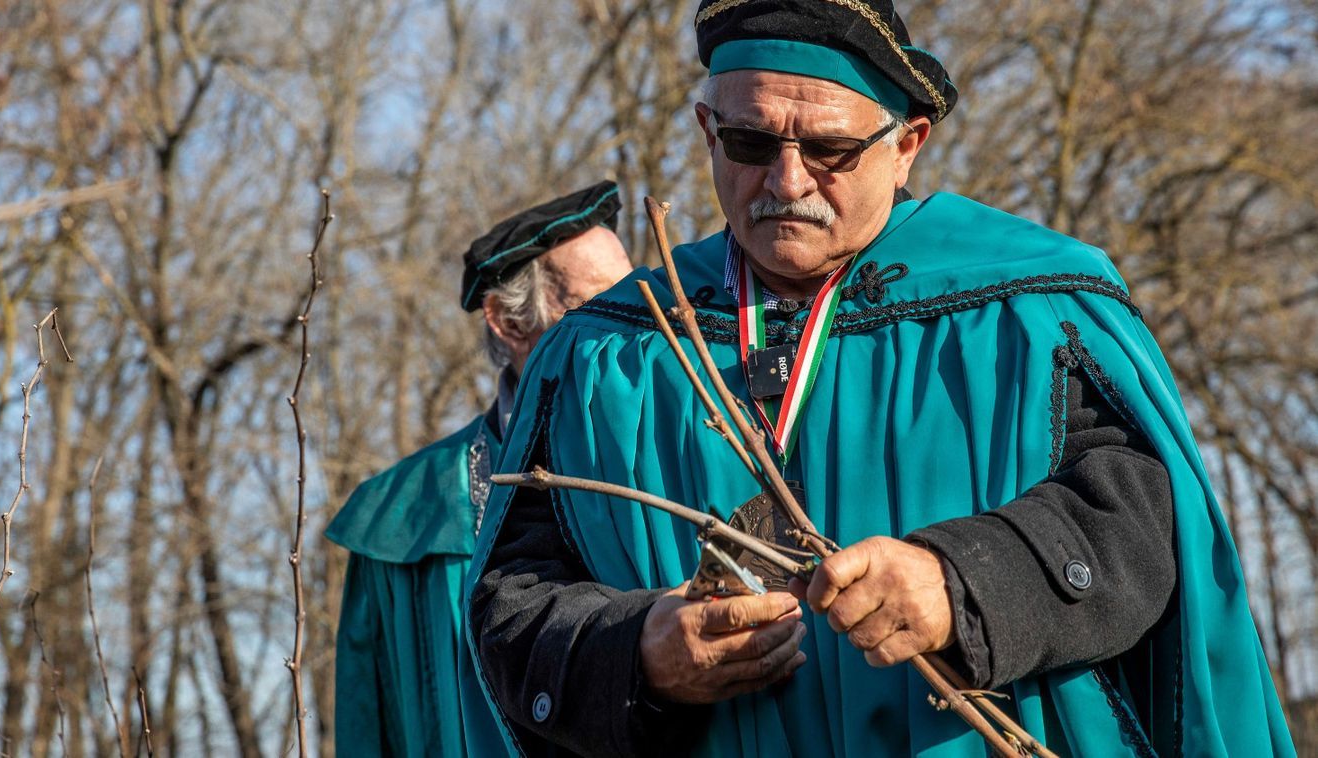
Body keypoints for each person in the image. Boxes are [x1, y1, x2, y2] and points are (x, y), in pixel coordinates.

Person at [467, 2, 1295, 756]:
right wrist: (636, 652)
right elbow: (512, 601)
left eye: (828, 149)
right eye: (751, 143)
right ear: (705, 129)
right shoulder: (605, 349)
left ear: (907, 145)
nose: (786, 183)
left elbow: (1139, 527)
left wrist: (964, 582)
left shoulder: (1034, 308)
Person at [326, 181, 633, 757]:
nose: (633, 324)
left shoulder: (674, 448)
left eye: (635, 299)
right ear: (509, 323)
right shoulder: (406, 510)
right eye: (596, 305)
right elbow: (371, 728)